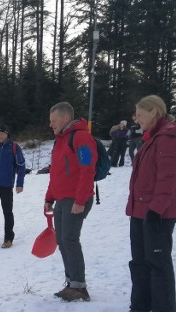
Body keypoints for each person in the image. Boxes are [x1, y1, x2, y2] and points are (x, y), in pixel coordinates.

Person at [125, 95, 176, 312]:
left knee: (157, 261)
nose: (137, 118)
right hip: (139, 209)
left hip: (157, 213)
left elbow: (167, 179)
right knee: (139, 260)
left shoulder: (168, 138)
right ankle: (141, 304)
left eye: (140, 114)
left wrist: (156, 210)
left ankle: (164, 311)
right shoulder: (151, 138)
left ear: (154, 112)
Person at [44, 102, 97, 301]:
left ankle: (79, 286)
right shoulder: (60, 140)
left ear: (65, 119)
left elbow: (87, 169)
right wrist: (50, 198)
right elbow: (55, 174)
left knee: (70, 240)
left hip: (76, 198)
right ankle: (71, 282)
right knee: (61, 240)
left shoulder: (81, 137)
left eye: (53, 121)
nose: (51, 125)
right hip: (61, 199)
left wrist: (81, 199)